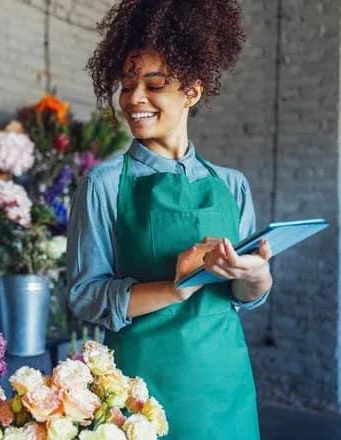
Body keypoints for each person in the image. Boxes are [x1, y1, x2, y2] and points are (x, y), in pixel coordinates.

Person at [66, 0, 274, 438]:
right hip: (140, 388)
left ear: (192, 91)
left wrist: (255, 276)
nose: (134, 97)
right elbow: (85, 296)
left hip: (225, 382)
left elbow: (244, 297)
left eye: (154, 83)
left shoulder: (232, 185)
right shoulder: (104, 184)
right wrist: (178, 286)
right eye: (127, 83)